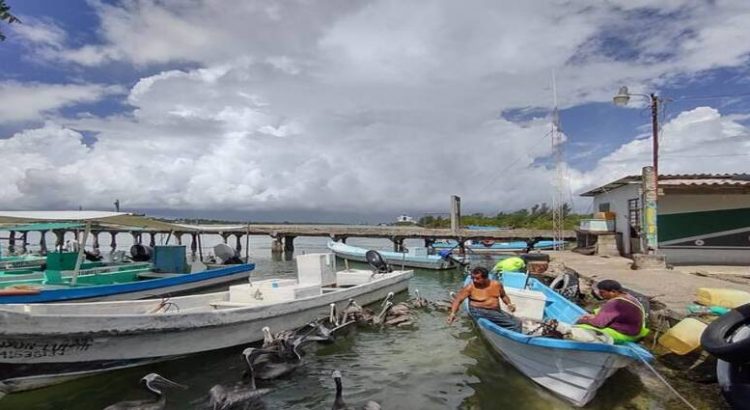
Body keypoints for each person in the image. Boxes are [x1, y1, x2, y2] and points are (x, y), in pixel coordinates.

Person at [447, 266, 522, 332]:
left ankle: (508, 332)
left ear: (486, 278)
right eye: (473, 278)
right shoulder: (470, 287)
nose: (474, 280)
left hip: (495, 311)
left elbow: (503, 296)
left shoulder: (497, 285)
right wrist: (453, 314)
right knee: (514, 325)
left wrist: (509, 304)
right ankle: (513, 340)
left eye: (477, 278)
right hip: (479, 310)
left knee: (518, 322)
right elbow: (458, 300)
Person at [576, 279, 649, 344]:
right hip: (636, 331)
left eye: (602, 292)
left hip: (625, 334)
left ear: (613, 292)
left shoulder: (615, 303)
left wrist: (583, 321)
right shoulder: (629, 297)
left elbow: (599, 324)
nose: (600, 295)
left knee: (578, 328)